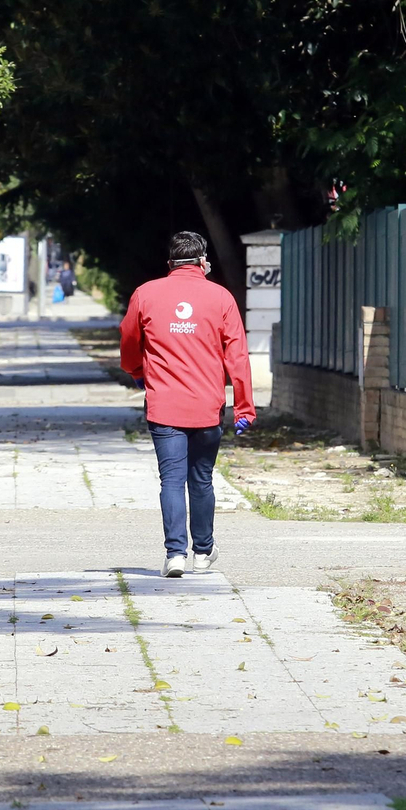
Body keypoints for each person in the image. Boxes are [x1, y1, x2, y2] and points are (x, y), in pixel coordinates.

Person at [120, 231, 256, 577]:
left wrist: (137, 372)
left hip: (164, 406)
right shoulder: (221, 298)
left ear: (170, 264)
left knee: (170, 480)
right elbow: (237, 356)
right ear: (202, 262)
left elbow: (129, 340)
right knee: (202, 480)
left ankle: (175, 554)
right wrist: (244, 407)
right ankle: (203, 551)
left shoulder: (145, 294)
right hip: (207, 408)